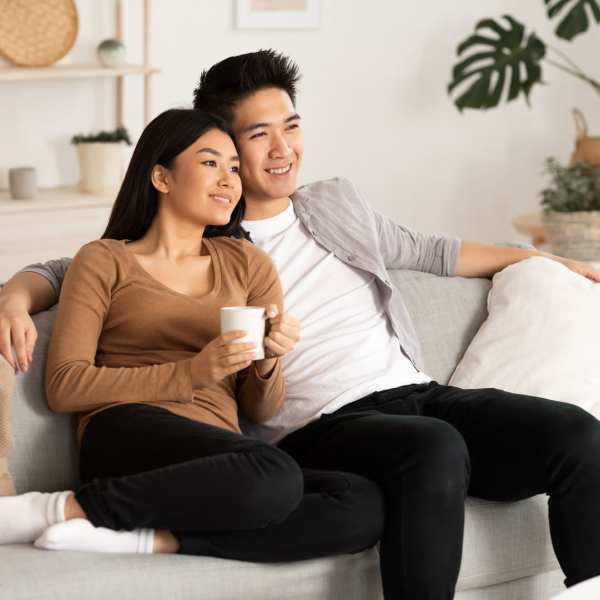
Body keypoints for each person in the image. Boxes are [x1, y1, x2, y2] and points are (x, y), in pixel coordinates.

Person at [3, 50, 600, 598]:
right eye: (256, 137)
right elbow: (82, 265)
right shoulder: (208, 236)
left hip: (416, 394)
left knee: (577, 435)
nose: (281, 149)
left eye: (290, 126)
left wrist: (552, 261)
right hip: (324, 426)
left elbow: (434, 250)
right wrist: (13, 293)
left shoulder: (332, 206)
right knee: (432, 449)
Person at [0, 108, 384, 563]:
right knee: (274, 474)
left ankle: (148, 538)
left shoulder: (248, 263)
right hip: (125, 429)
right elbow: (64, 385)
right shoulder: (104, 260)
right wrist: (191, 373)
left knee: (361, 502)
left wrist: (267, 359)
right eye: (209, 163)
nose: (229, 179)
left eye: (234, 167)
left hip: (220, 453)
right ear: (161, 177)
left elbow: (260, 408)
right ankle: (53, 509)